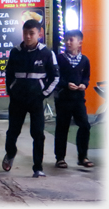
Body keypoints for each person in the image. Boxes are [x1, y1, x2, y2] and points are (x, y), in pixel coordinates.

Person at [2, 19, 59, 178]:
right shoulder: (15, 52)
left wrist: (43, 94)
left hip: (36, 101)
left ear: (39, 34)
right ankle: (10, 154)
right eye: (25, 33)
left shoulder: (47, 53)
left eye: (31, 33)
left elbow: (55, 77)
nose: (27, 37)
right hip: (17, 100)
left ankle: (38, 167)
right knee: (13, 132)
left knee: (38, 134)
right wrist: (12, 91)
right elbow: (8, 74)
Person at [54, 29, 93, 169]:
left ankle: (83, 156)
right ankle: (60, 158)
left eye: (72, 40)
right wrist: (66, 84)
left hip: (78, 99)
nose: (68, 42)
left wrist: (84, 84)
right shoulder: (60, 59)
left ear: (80, 42)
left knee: (85, 125)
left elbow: (86, 77)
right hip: (63, 98)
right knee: (62, 127)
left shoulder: (84, 60)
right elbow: (56, 77)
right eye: (67, 40)